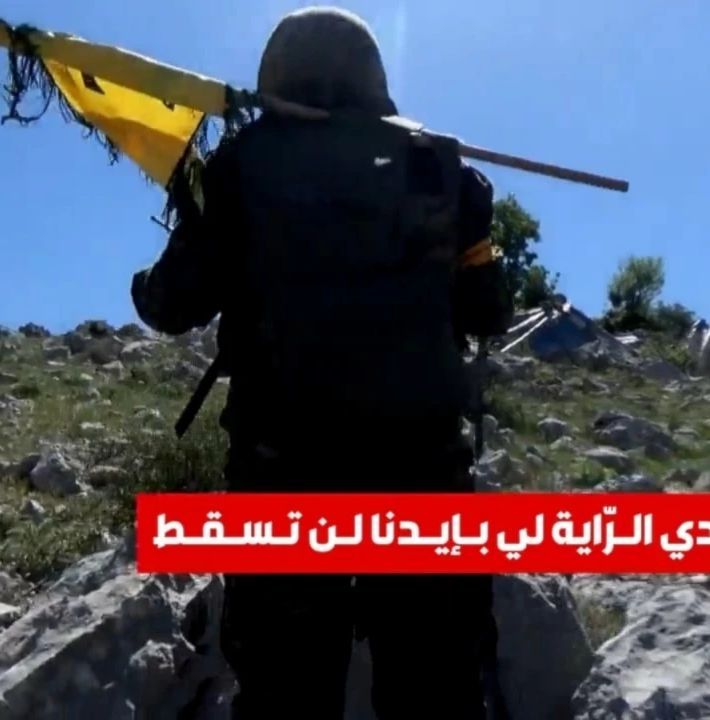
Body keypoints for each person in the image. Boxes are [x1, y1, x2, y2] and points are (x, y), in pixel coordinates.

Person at [131, 7, 515, 719]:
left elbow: (171, 304)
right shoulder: (441, 166)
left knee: (285, 692)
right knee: (435, 686)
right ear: (372, 76)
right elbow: (488, 312)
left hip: (285, 468)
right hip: (423, 468)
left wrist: (159, 266)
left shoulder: (241, 164)